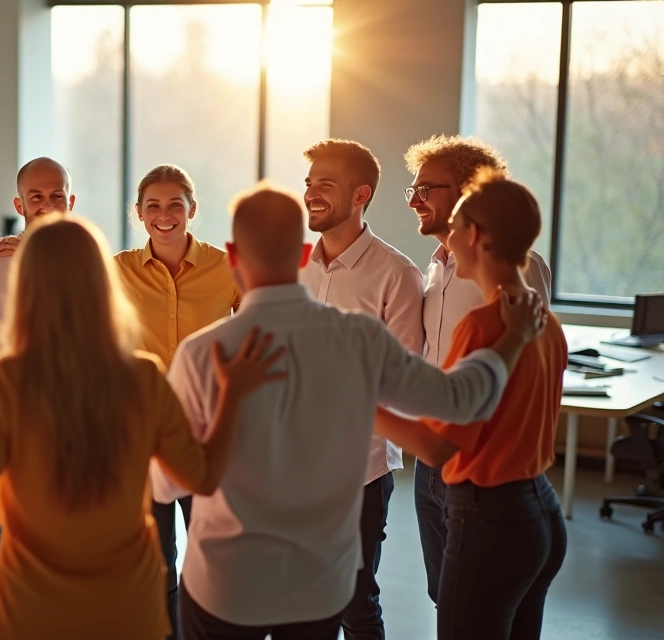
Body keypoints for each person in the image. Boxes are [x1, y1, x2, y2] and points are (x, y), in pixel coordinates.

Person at [151, 182, 546, 640]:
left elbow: (166, 484)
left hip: (225, 583)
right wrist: (514, 337)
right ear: (302, 254)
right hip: (319, 583)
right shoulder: (359, 338)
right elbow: (461, 400)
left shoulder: (202, 353)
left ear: (234, 255)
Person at [0, 215, 288, 640]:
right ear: (103, 283)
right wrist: (232, 395)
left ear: (30, 286)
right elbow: (202, 475)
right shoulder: (142, 376)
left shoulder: (10, 378)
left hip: (33, 606)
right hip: (126, 604)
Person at [373, 171, 567, 640]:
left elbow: (438, 448)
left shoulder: (482, 326)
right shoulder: (544, 320)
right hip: (539, 512)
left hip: (488, 518)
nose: (447, 242)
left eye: (455, 227)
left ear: (475, 235)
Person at [404, 134, 553, 605]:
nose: (414, 199)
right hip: (432, 463)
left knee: (472, 605)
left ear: (468, 192)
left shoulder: (519, 275)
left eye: (427, 189)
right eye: (412, 188)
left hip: (482, 465)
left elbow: (524, 367)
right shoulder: (434, 269)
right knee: (444, 596)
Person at [299, 139, 424, 640]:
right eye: (308, 183)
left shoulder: (397, 275)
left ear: (360, 195)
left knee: (354, 603)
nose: (310, 193)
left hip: (358, 474)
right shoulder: (295, 265)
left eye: (324, 184)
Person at [116, 164, 241, 639]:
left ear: (192, 209)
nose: (164, 215)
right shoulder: (118, 270)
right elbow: (65, 282)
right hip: (141, 436)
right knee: (157, 560)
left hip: (208, 433)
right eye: (153, 206)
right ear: (139, 213)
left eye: (175, 205)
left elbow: (255, 325)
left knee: (214, 556)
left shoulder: (225, 267)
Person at [0, 157, 75, 367]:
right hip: (7, 390)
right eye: (36, 197)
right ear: (19, 205)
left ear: (70, 202)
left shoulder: (89, 258)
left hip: (70, 387)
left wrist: (37, 255)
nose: (48, 205)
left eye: (57, 196)